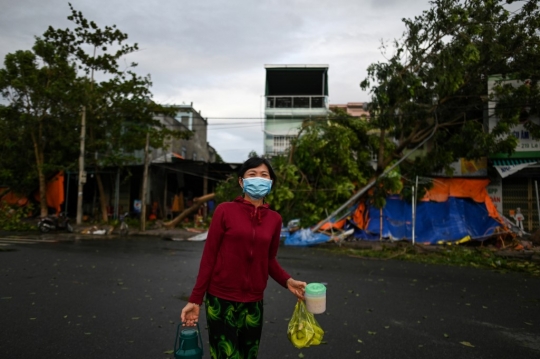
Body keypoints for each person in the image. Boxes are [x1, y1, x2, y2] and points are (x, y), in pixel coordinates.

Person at [180, 156, 306, 358]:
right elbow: (209, 257)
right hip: (221, 300)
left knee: (249, 355)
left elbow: (269, 259)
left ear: (271, 182)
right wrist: (196, 300)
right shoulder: (224, 211)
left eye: (264, 175)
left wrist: (287, 281)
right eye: (252, 174)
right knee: (227, 356)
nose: (258, 178)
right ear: (241, 181)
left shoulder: (275, 219)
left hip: (254, 302)